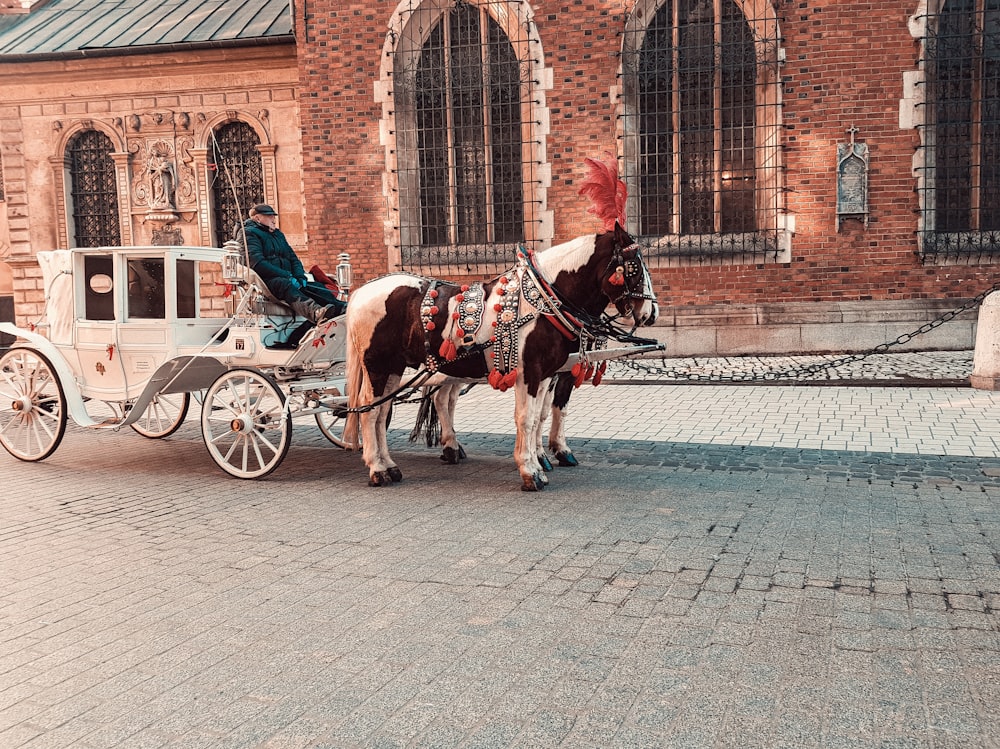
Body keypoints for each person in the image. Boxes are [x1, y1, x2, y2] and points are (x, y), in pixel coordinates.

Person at [241, 204, 345, 324]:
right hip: (267, 281)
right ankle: (316, 313)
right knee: (286, 285)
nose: (273, 220)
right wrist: (286, 275)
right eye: (269, 216)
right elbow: (256, 263)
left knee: (315, 287)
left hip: (288, 277)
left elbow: (293, 258)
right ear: (257, 218)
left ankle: (340, 308)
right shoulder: (248, 234)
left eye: (273, 216)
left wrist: (299, 275)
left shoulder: (278, 234)